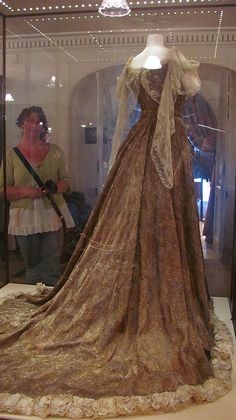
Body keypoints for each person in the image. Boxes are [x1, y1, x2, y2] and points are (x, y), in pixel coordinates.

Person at [0, 38, 232, 418]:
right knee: (128, 223)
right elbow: (126, 116)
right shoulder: (137, 63)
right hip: (145, 149)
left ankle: (164, 296)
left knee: (166, 224)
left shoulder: (174, 62)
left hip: (169, 151)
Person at [0, 106, 75, 286]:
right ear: (21, 124)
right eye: (29, 120)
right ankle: (32, 307)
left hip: (51, 215)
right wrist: (26, 192)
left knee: (51, 267)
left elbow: (67, 181)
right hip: (25, 217)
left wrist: (55, 187)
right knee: (32, 266)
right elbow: (3, 189)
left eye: (38, 121)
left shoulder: (55, 151)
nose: (33, 125)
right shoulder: (11, 155)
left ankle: (50, 305)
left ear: (43, 126)